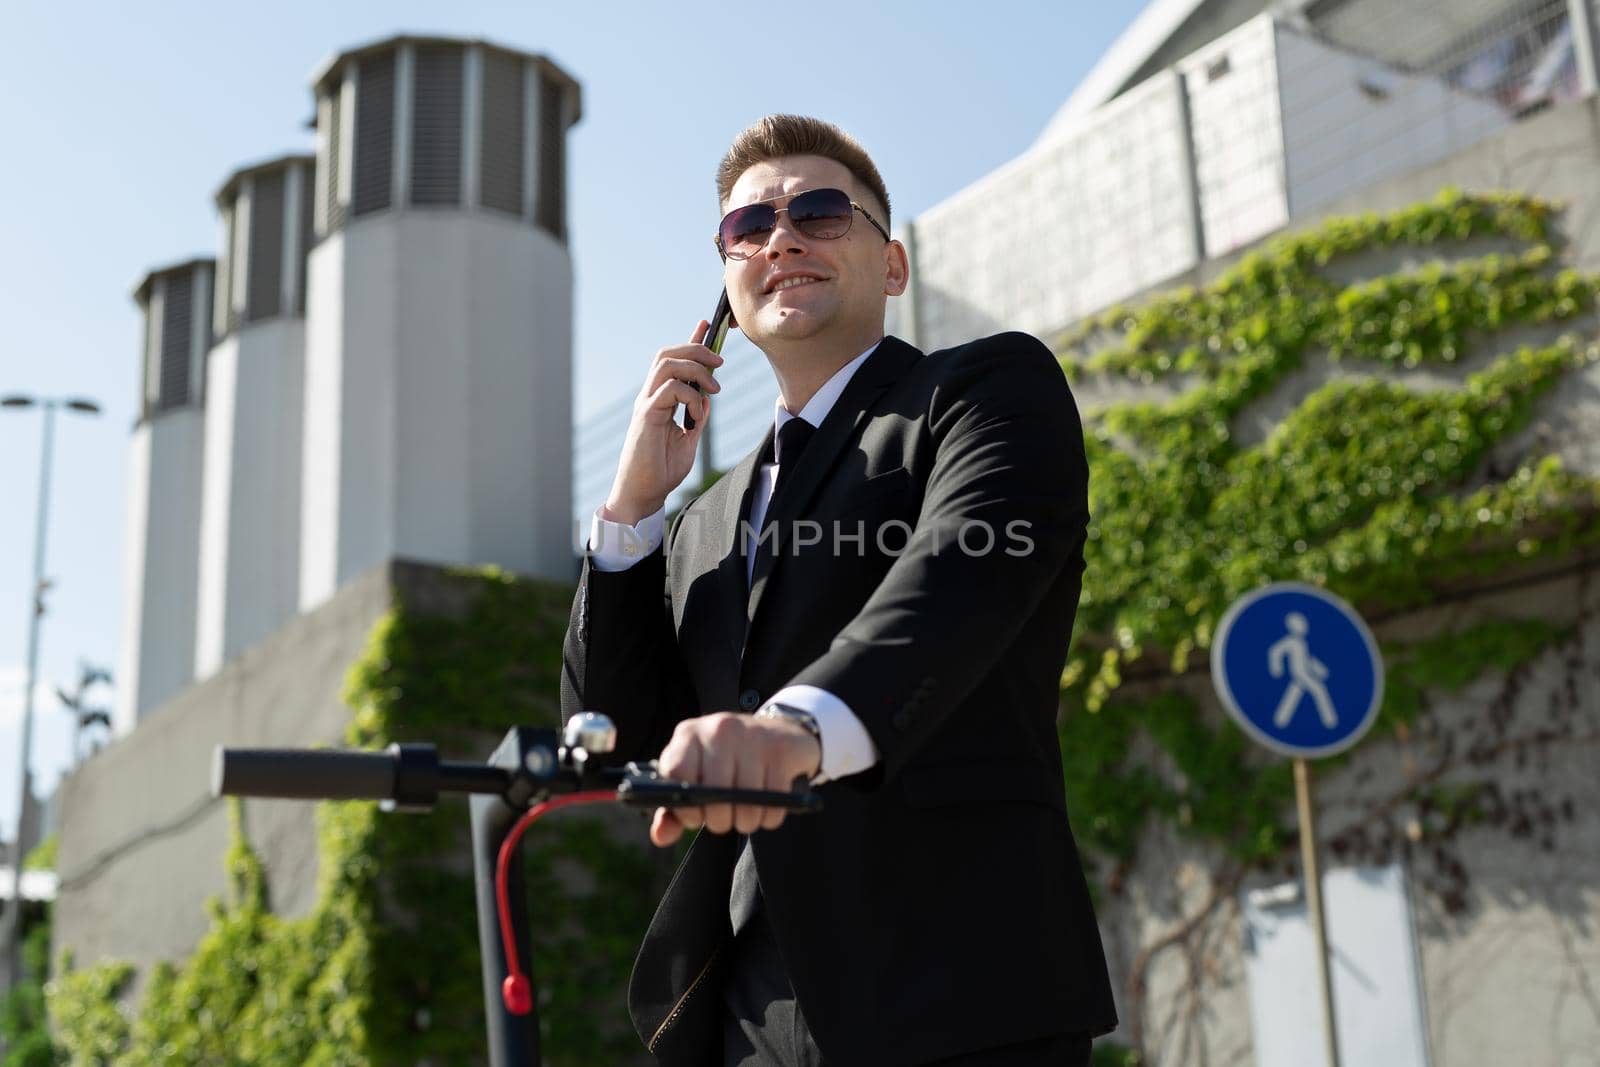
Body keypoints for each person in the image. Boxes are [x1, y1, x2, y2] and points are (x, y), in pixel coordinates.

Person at [561, 114, 1116, 1067]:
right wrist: (631, 509)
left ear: (892, 266)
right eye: (749, 227)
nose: (783, 237)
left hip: (959, 990)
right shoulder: (698, 522)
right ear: (727, 289)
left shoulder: (982, 393)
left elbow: (961, 579)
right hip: (744, 1014)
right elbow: (617, 738)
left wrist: (794, 730)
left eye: (820, 211)